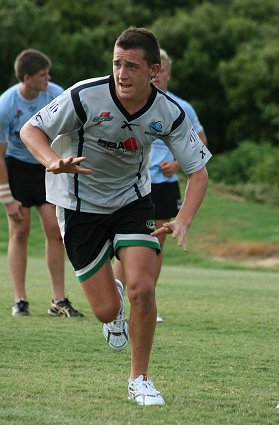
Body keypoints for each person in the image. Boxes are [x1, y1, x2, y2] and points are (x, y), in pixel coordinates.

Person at [20, 27, 211, 406]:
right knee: (106, 309)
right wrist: (53, 161)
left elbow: (199, 171)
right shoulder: (85, 95)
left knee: (143, 287)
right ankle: (114, 307)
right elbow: (32, 129)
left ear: (154, 71)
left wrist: (184, 220)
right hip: (79, 206)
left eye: (132, 66)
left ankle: (139, 379)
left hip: (132, 201)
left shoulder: (168, 112)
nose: (122, 74)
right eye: (117, 64)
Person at [114, 48, 208, 323]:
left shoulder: (181, 108)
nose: (157, 78)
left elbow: (199, 144)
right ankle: (119, 300)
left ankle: (146, 301)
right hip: (134, 184)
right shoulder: (129, 102)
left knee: (155, 245)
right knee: (127, 244)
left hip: (164, 184)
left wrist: (177, 165)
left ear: (164, 72)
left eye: (163, 71)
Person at [0, 49, 84, 318]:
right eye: (42, 74)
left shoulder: (56, 93)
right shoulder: (6, 104)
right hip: (17, 169)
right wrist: (7, 197)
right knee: (20, 231)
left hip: (47, 166)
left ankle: (58, 300)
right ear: (27, 78)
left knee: (55, 230)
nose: (49, 77)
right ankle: (20, 300)